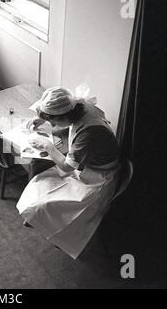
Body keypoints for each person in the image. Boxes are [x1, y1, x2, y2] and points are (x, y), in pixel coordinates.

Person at [17, 86, 121, 259]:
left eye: (55, 122)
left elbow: (66, 167)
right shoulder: (78, 105)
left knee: (49, 204)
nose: (53, 126)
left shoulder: (88, 133)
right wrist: (41, 118)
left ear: (66, 116)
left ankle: (56, 230)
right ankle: (39, 218)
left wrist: (47, 145)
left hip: (98, 177)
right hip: (88, 165)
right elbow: (55, 109)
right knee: (39, 182)